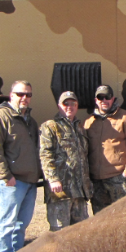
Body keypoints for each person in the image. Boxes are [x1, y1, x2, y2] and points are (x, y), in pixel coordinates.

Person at [0, 80, 40, 252]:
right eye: (20, 94)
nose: (24, 98)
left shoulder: (30, 122)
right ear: (11, 94)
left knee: (20, 226)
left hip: (29, 182)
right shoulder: (0, 117)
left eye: (28, 95)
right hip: (12, 182)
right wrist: (5, 176)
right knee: (7, 225)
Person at [84, 85, 126, 213]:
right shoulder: (89, 122)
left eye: (107, 97)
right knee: (100, 221)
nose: (104, 100)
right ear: (96, 100)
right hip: (97, 181)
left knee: (123, 218)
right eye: (100, 97)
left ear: (113, 99)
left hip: (118, 179)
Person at [39, 91, 92, 232]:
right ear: (59, 106)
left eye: (73, 103)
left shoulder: (80, 128)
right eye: (65, 103)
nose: (69, 106)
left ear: (77, 106)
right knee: (60, 234)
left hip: (79, 192)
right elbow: (45, 154)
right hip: (60, 192)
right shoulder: (50, 126)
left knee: (81, 233)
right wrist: (53, 179)